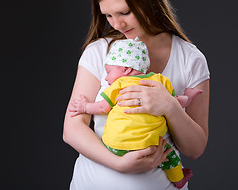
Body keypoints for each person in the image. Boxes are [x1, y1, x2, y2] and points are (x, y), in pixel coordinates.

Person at [62, 0, 210, 190]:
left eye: (125, 12)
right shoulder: (100, 52)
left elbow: (195, 148)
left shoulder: (190, 59)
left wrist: (170, 106)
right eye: (108, 15)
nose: (117, 24)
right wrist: (119, 164)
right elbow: (72, 129)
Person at [69, 38, 201, 189]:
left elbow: (102, 107)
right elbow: (178, 102)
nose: (106, 78)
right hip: (150, 145)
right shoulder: (159, 81)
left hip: (114, 145)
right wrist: (188, 97)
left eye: (109, 71)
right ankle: (179, 179)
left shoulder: (119, 84)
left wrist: (84, 107)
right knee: (169, 157)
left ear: (126, 70)